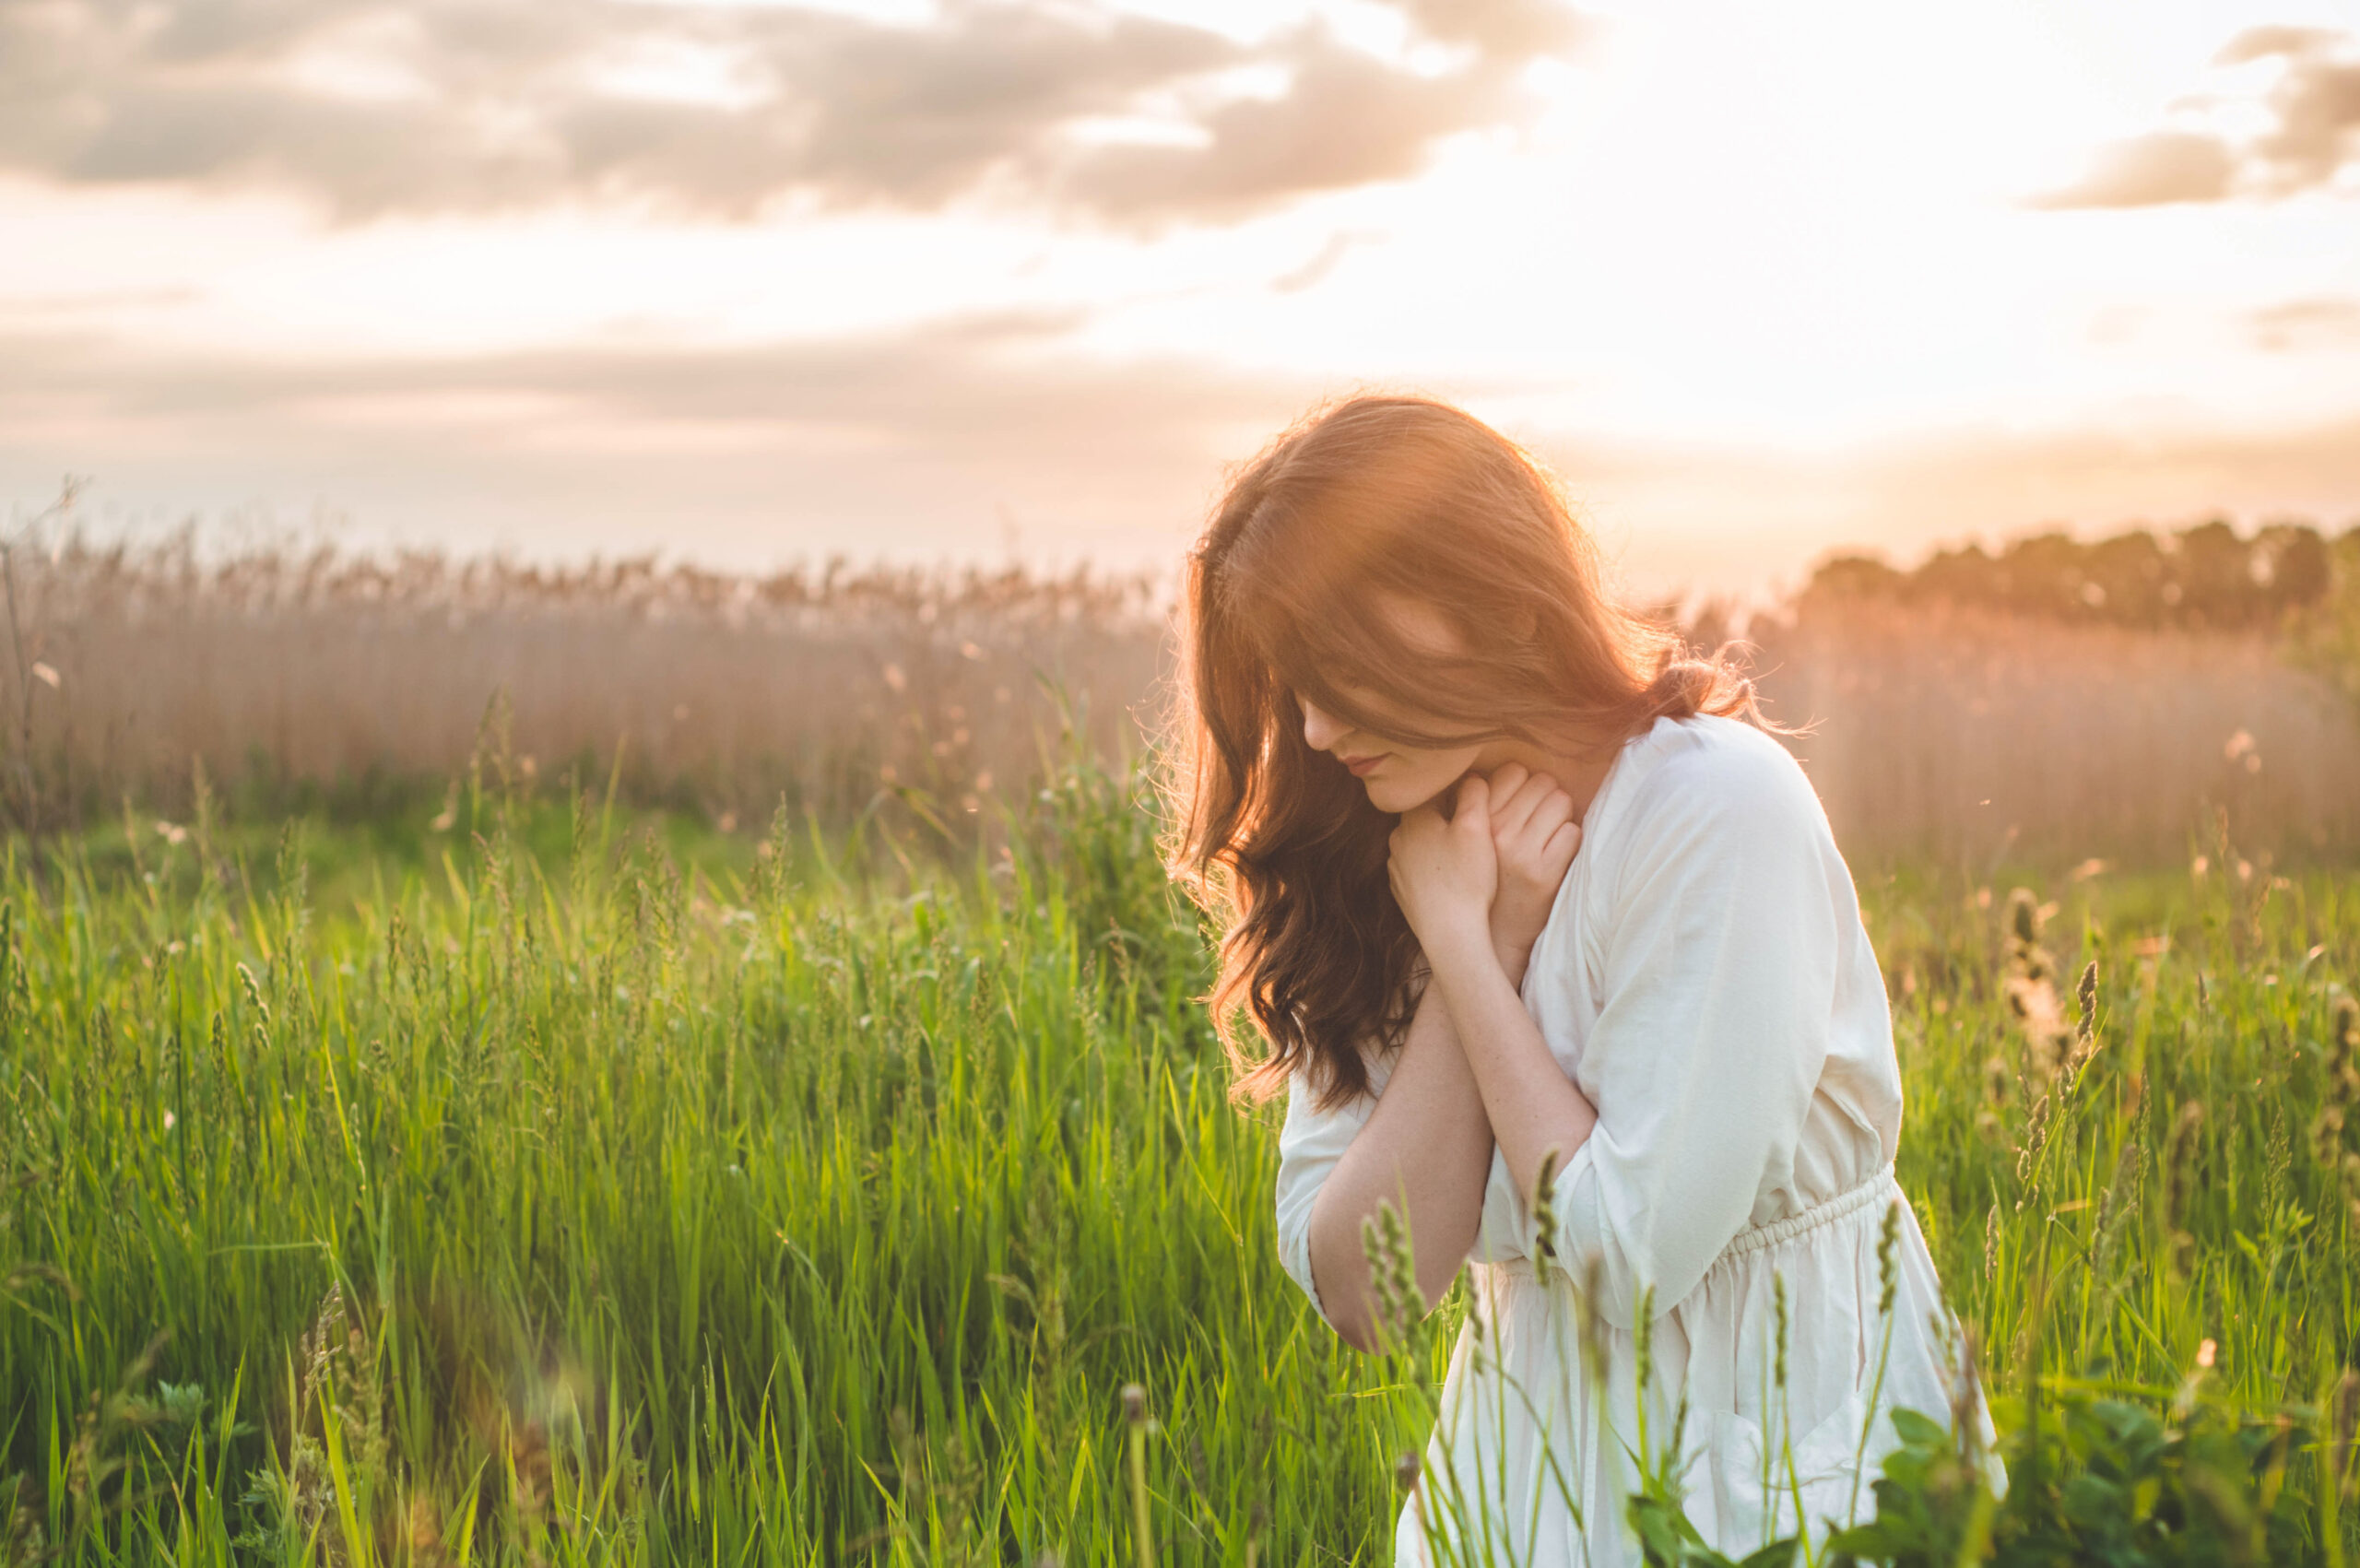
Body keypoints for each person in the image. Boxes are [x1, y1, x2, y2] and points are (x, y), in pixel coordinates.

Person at [1161, 395, 2004, 1565]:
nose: (1307, 729)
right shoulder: (1383, 847)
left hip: (1775, 1436)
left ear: (1499, 604)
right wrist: (1483, 942)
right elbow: (1364, 1291)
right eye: (1291, 680)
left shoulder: (1713, 810)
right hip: (1521, 1460)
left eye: (1338, 663)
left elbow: (1631, 1257)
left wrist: (1464, 947)